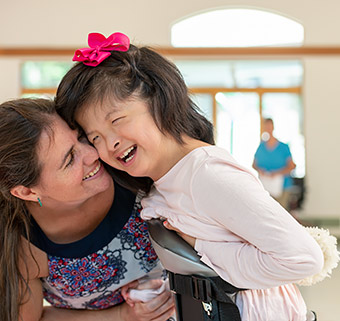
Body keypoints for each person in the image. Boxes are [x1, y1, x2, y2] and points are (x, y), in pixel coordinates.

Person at [55, 32, 324, 321]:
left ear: (159, 100)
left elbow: (303, 260)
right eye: (95, 137)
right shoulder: (160, 182)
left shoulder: (207, 175)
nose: (110, 144)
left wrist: (200, 246)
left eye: (117, 120)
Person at [0, 98, 175, 321]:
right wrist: (123, 315)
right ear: (27, 192)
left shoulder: (127, 164)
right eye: (70, 159)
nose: (93, 154)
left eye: (81, 137)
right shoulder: (22, 243)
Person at [252, 118, 296, 210]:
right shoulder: (261, 147)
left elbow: (292, 166)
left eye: (269, 126)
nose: (268, 128)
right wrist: (261, 171)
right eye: (266, 126)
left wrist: (277, 173)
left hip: (282, 186)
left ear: (273, 127)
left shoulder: (283, 147)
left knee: (281, 211)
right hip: (266, 185)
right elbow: (254, 164)